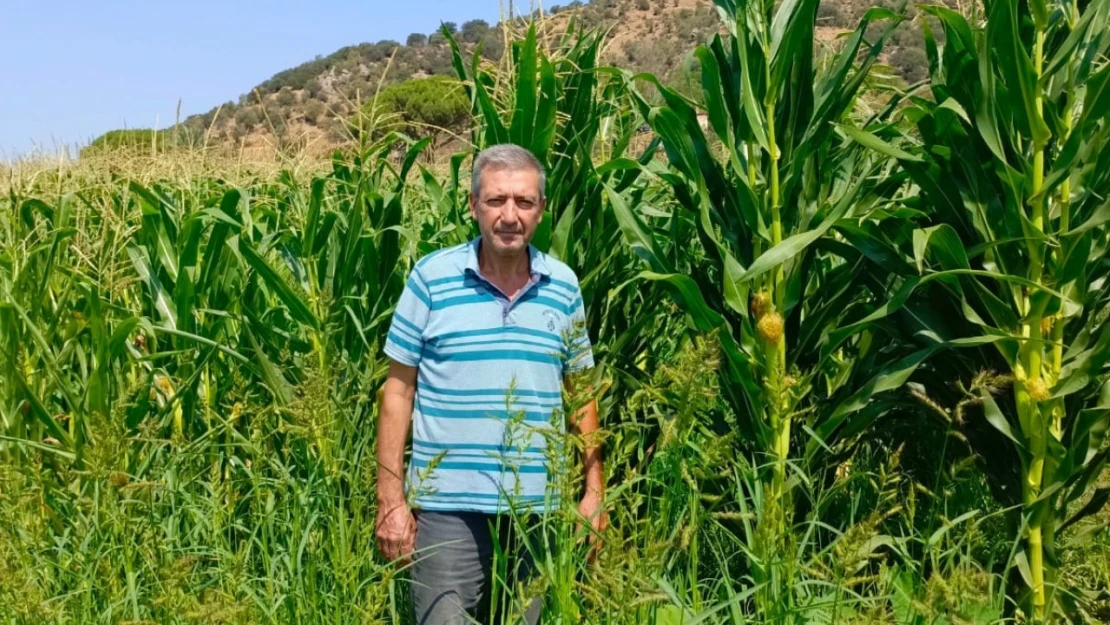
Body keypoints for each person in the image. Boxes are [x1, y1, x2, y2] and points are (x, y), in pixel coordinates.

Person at [374, 144, 607, 625]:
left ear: (541, 210)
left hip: (537, 508)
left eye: (524, 202)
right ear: (473, 206)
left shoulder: (562, 286)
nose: (509, 215)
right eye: (496, 200)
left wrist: (593, 493)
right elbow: (397, 391)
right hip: (448, 507)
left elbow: (581, 392)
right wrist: (390, 500)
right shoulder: (432, 279)